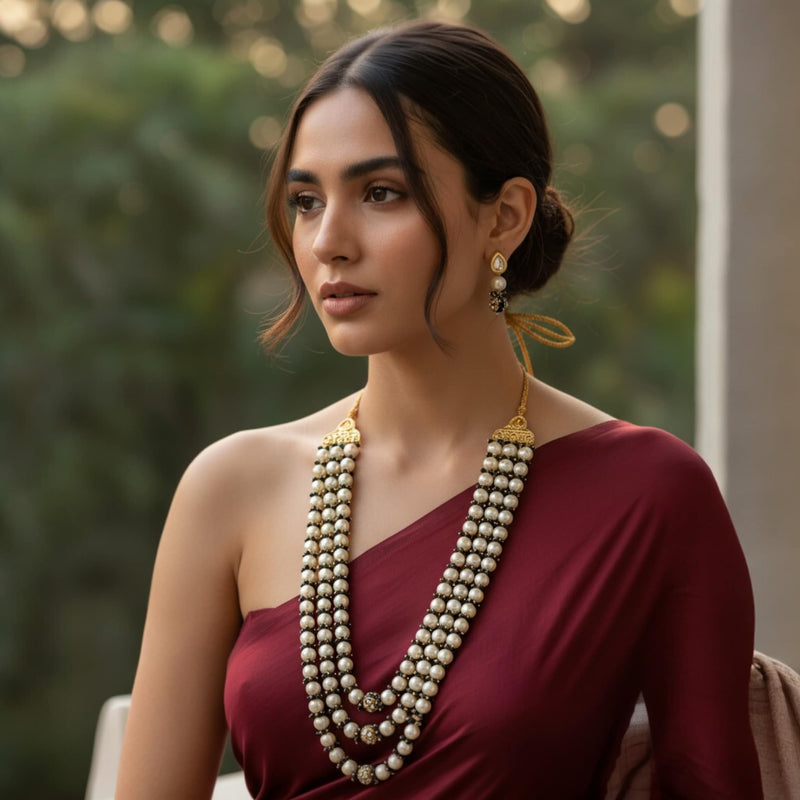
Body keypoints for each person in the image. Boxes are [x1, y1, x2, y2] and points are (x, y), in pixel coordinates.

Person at [115, 19, 763, 800]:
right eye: (307, 200)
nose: (328, 242)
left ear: (505, 215)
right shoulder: (232, 488)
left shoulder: (648, 493)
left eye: (380, 194)